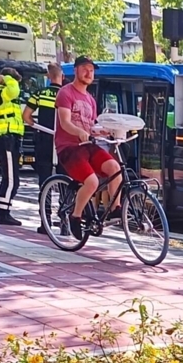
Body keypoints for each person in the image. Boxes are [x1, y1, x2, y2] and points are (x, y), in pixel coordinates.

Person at [55, 56, 123, 240]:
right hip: (69, 148)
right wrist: (79, 132)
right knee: (92, 182)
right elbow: (65, 122)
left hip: (88, 146)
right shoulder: (65, 93)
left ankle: (116, 209)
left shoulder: (91, 100)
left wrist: (103, 132)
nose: (89, 73)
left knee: (115, 168)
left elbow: (91, 126)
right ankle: (75, 216)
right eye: (85, 68)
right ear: (76, 70)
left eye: (92, 70)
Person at [24, 63, 64, 234]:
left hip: (45, 140)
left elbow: (26, 116)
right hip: (63, 142)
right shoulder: (66, 95)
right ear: (61, 76)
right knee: (65, 181)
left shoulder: (39, 94)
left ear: (48, 77)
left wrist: (37, 126)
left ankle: (45, 222)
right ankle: (65, 222)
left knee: (44, 181)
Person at [0, 67, 25, 226]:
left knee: (12, 178)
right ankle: (3, 213)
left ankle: (3, 210)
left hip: (10, 137)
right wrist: (8, 79)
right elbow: (14, 91)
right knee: (11, 180)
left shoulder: (2, 90)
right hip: (5, 136)